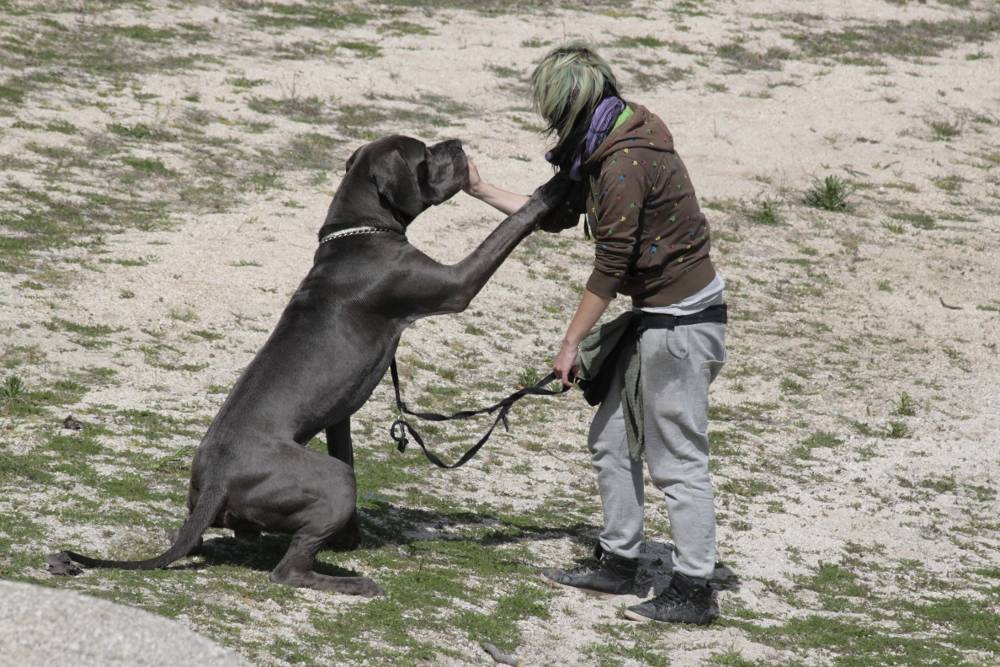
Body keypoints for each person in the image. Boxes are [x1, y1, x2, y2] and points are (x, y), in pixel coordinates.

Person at [463, 43, 727, 625]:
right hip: (655, 317)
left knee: (677, 457)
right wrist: (479, 189)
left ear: (569, 106)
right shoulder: (607, 138)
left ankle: (694, 589)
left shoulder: (622, 162)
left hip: (682, 325)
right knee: (611, 439)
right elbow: (547, 212)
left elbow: (610, 265)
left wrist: (568, 345)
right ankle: (620, 560)